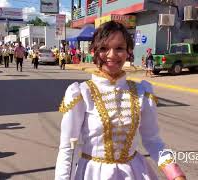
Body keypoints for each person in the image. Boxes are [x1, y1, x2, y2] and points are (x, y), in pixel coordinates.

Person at [55, 21, 186, 180]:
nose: (111, 55)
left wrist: (175, 173)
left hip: (135, 173)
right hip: (93, 174)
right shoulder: (81, 93)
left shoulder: (141, 92)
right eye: (103, 48)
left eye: (119, 48)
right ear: (93, 51)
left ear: (128, 51)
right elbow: (68, 147)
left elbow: (153, 141)